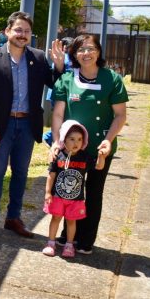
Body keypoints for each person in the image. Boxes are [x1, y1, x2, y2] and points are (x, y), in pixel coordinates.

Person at [0, 11, 64, 239]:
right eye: (18, 30)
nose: (22, 35)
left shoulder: (38, 58)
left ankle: (13, 218)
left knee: (21, 173)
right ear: (7, 31)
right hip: (1, 127)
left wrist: (59, 66)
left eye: (26, 31)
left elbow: (54, 83)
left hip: (27, 124)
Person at [50, 34, 128, 254]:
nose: (86, 53)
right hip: (71, 150)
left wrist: (108, 140)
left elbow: (120, 115)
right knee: (69, 191)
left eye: (91, 48)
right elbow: (57, 113)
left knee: (94, 193)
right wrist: (57, 141)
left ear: (99, 51)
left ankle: (86, 240)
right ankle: (68, 238)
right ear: (74, 54)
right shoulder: (66, 79)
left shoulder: (112, 79)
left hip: (99, 149)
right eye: (81, 49)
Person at [43, 120, 103, 258]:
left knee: (71, 221)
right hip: (57, 197)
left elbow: (99, 166)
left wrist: (101, 156)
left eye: (80, 139)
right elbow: (51, 175)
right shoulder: (58, 156)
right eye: (72, 139)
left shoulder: (85, 157)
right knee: (55, 219)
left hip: (76, 200)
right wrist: (47, 193)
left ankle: (69, 245)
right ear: (64, 139)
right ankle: (51, 243)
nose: (76, 143)